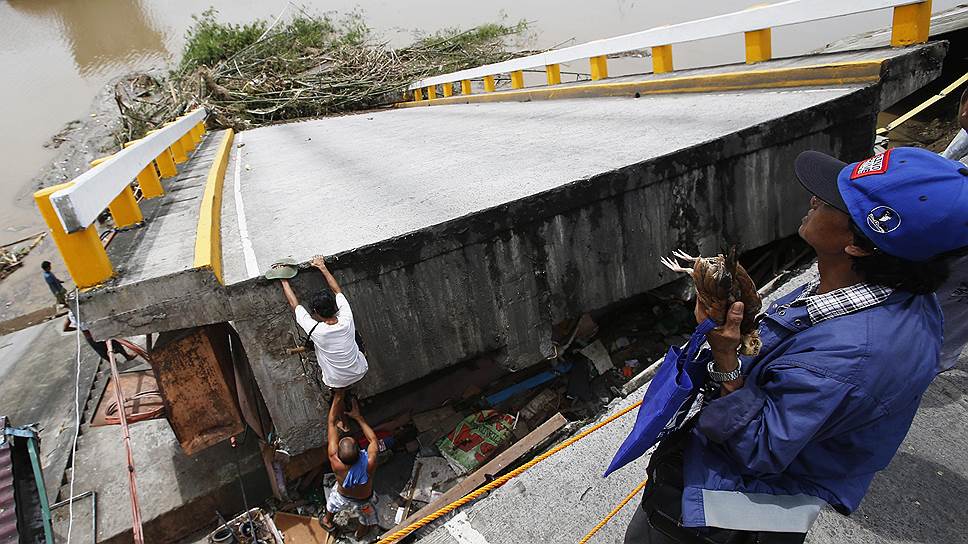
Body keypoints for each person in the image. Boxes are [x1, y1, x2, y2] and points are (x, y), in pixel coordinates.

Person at [625, 147, 968, 543]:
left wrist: (724, 356)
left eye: (828, 203)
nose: (813, 201)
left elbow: (756, 448)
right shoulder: (905, 295)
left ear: (858, 244)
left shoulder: (848, 360)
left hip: (726, 515)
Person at [279, 255, 369, 393]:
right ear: (334, 306)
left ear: (315, 312)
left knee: (319, 345)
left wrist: (283, 279)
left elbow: (295, 305)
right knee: (354, 335)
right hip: (360, 371)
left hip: (335, 380)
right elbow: (337, 291)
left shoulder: (315, 329)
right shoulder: (346, 317)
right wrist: (322, 266)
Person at [321, 390, 380, 538]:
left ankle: (327, 521)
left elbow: (331, 422)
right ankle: (361, 532)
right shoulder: (369, 463)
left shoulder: (335, 460)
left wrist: (338, 395)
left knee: (332, 505)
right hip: (363, 499)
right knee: (367, 515)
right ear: (360, 452)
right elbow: (373, 440)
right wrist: (358, 417)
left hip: (342, 495)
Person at [64, 308, 134, 362]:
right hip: (97, 331)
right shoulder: (82, 310)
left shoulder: (70, 315)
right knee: (114, 343)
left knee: (101, 350)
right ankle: (127, 356)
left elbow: (65, 328)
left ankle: (113, 362)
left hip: (89, 336)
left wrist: (78, 328)